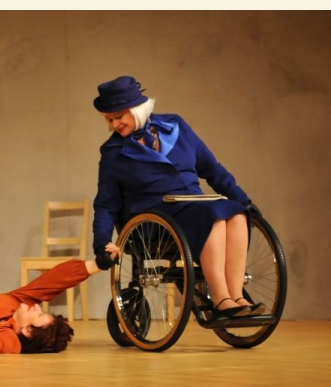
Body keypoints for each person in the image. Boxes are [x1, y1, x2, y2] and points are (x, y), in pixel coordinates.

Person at [91, 75, 264, 318]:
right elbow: (106, 204)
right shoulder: (113, 153)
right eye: (109, 120)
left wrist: (243, 199)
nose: (114, 125)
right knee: (213, 214)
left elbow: (211, 168)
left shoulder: (176, 126)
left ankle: (236, 297)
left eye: (118, 117)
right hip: (154, 219)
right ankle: (220, 299)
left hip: (194, 206)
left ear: (137, 109)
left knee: (237, 213)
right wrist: (101, 243)